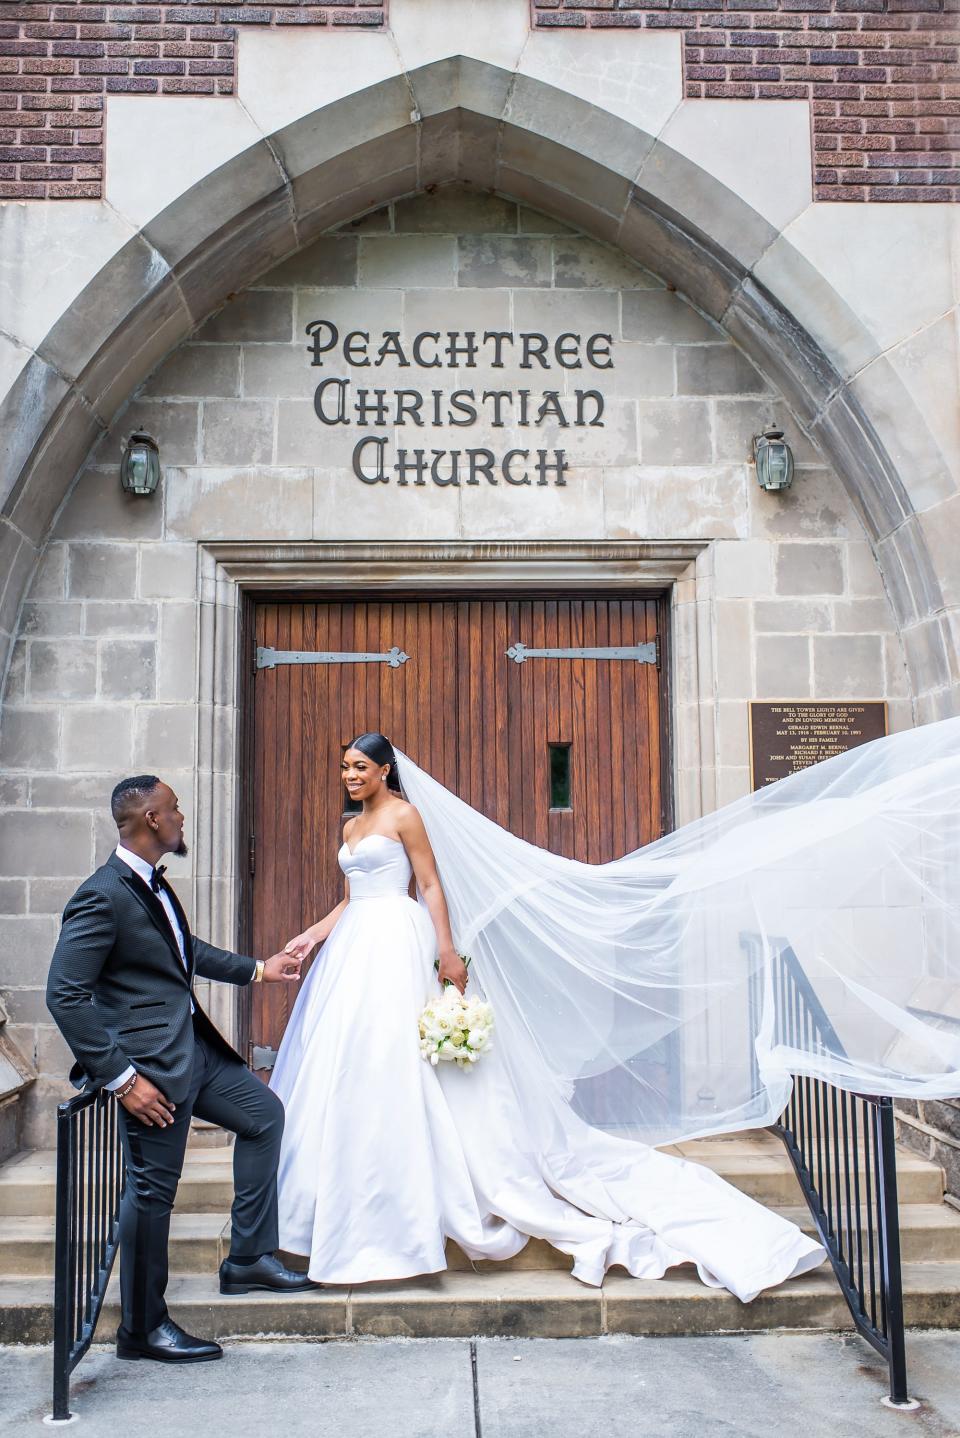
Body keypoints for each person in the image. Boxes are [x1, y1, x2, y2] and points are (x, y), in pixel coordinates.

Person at [271, 734, 826, 1297]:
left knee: (404, 1057)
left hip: (398, 940)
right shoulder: (350, 826)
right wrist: (313, 936)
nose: (349, 775)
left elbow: (431, 884)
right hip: (356, 948)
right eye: (344, 767)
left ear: (385, 770)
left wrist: (446, 951)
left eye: (360, 767)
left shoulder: (404, 815)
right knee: (352, 1060)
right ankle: (345, 1195)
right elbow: (353, 895)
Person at [46, 775, 318, 1366]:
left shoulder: (153, 886)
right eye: (174, 809)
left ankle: (247, 1258)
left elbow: (181, 951)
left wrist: (259, 970)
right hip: (150, 1075)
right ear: (148, 818)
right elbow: (66, 995)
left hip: (195, 1054)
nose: (182, 817)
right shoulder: (102, 894)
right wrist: (120, 1078)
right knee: (151, 1195)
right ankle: (142, 1328)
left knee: (263, 1115)